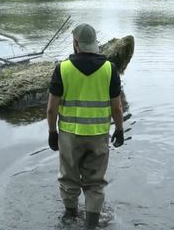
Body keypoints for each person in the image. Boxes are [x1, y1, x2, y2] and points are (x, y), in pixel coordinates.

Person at [46, 23, 124, 229]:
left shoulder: (62, 69)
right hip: (98, 136)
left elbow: (51, 109)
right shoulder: (110, 69)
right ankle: (91, 225)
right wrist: (119, 129)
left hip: (70, 137)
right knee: (95, 184)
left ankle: (70, 218)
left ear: (75, 43)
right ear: (95, 44)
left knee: (68, 179)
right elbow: (117, 108)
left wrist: (52, 132)